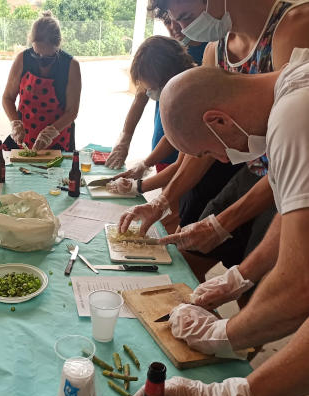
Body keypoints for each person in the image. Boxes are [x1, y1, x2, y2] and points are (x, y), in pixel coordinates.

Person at [126, 50, 309, 396]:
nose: (223, 161)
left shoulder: (293, 118)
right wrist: (240, 276)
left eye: (210, 150)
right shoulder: (293, 91)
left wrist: (224, 336)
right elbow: (295, 212)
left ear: (219, 120)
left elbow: (298, 287)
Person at [119, 0, 309, 282]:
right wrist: (162, 202)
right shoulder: (215, 48)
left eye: (185, 17)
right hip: (253, 172)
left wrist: (224, 223)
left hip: (290, 179)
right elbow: (206, 146)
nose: (182, 30)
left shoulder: (294, 26)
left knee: (257, 282)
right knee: (192, 249)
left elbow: (295, 155)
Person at [107, 34, 240, 231]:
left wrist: (140, 187)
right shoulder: (183, 90)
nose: (150, 93)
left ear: (169, 79)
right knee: (175, 222)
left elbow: (181, 166)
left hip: (214, 180)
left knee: (189, 231)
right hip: (199, 179)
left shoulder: (195, 98)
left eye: (152, 88)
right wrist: (145, 164)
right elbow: (171, 137)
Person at [105, 18, 187, 172]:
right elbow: (140, 96)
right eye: (167, 21)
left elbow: (184, 170)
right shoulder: (157, 54)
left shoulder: (188, 87)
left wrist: (145, 167)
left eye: (182, 18)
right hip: (163, 145)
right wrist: (125, 139)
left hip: (186, 151)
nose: (173, 27)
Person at [2, 11, 81, 152]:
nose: (41, 59)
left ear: (58, 45)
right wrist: (15, 123)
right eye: (36, 54)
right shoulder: (22, 59)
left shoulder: (71, 66)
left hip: (58, 139)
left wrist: (50, 133)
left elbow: (72, 111)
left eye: (48, 57)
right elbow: (7, 98)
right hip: (25, 137)